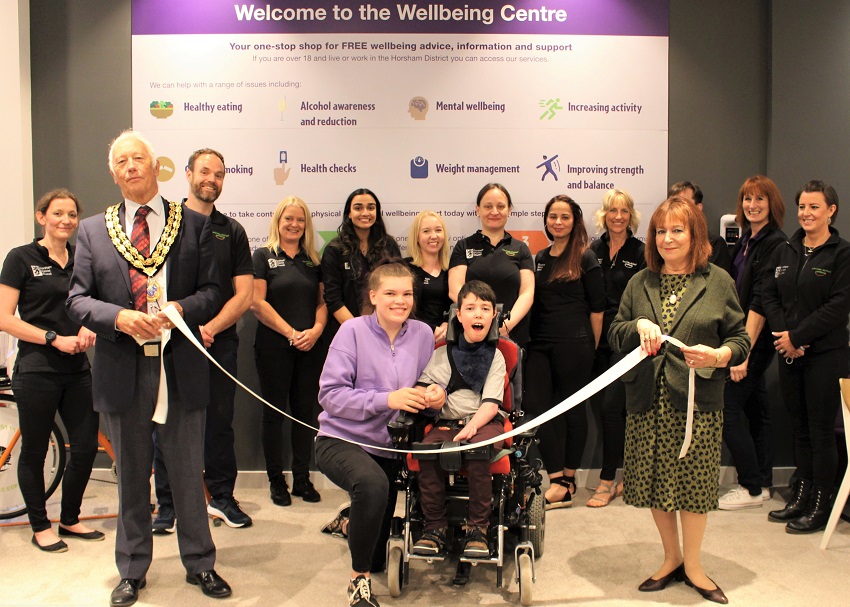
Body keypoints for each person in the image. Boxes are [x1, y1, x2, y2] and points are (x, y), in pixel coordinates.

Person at [67, 130, 231, 605]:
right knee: (132, 474)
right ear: (113, 172)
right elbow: (78, 300)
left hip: (179, 364)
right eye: (122, 161)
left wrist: (177, 308)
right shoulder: (95, 230)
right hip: (123, 364)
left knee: (185, 470)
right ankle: (132, 569)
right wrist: (119, 316)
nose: (131, 166)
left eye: (138, 157)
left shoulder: (193, 225)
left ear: (155, 164)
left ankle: (200, 563)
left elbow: (213, 292)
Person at [609, 196, 749, 605]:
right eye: (660, 231)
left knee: (693, 486)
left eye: (677, 230)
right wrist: (638, 325)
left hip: (697, 402)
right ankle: (671, 558)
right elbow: (616, 332)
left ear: (695, 235)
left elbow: (740, 340)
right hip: (646, 401)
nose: (667, 239)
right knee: (654, 485)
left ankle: (695, 566)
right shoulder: (640, 282)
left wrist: (719, 356)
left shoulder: (718, 280)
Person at [315, 261, 440, 607]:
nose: (400, 301)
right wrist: (388, 399)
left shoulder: (423, 334)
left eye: (406, 294)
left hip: (389, 447)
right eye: (390, 293)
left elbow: (427, 389)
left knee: (379, 556)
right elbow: (330, 396)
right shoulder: (351, 331)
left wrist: (433, 396)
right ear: (373, 296)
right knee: (372, 486)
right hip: (340, 439)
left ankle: (348, 522)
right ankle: (358, 582)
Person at [152, 148, 254, 532]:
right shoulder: (165, 223)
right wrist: (187, 328)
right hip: (173, 342)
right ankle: (168, 505)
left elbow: (243, 293)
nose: (211, 179)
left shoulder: (233, 230)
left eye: (220, 174)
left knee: (219, 423)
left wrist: (210, 328)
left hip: (219, 343)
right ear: (189, 174)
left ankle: (222, 499)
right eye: (205, 172)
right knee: (169, 422)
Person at [0, 189, 102, 553]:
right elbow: (3, 319)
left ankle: (70, 519)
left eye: (72, 214)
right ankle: (40, 525)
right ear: (41, 217)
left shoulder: (82, 259)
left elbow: (94, 305)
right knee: (35, 451)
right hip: (36, 369)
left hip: (77, 369)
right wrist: (52, 338)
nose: (66, 220)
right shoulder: (21, 259)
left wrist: (92, 326)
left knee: (87, 446)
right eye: (57, 213)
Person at [755, 180, 850, 533]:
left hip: (826, 355)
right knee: (800, 430)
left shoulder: (842, 253)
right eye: (802, 207)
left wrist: (799, 336)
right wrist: (784, 337)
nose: (806, 213)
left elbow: (838, 306)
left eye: (814, 207)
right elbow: (769, 295)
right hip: (790, 352)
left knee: (821, 431)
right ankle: (802, 494)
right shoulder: (786, 250)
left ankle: (822, 503)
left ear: (831, 210)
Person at [412, 280, 506, 558]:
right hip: (446, 422)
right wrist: (430, 395)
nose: (478, 314)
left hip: (484, 423)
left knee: (477, 452)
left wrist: (473, 427)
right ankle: (435, 528)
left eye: (485, 308)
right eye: (471, 308)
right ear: (459, 316)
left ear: (493, 316)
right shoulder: (442, 354)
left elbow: (490, 404)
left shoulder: (496, 357)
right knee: (428, 453)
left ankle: (478, 529)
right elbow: (426, 389)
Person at [523, 195, 605, 509]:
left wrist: (591, 346)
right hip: (541, 344)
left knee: (572, 410)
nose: (558, 222)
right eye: (553, 216)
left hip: (577, 344)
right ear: (545, 220)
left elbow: (597, 310)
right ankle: (557, 478)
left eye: (565, 217)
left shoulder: (586, 257)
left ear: (575, 221)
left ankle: (567, 481)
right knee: (540, 409)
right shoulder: (540, 256)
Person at [252, 196, 327, 506]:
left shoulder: (313, 261)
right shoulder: (263, 255)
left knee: (304, 414)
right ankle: (275, 480)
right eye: (289, 219)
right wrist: (291, 333)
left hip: (310, 346)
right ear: (278, 222)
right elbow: (257, 303)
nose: (294, 224)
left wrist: (316, 331)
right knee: (274, 415)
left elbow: (322, 304)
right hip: (274, 346)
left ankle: (301, 478)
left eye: (300, 219)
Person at [718, 176, 786, 510]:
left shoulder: (775, 243)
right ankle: (764, 482)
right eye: (747, 198)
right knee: (757, 411)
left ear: (772, 204)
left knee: (727, 408)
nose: (752, 205)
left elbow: (761, 300)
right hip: (743, 336)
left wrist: (742, 355)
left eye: (760, 199)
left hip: (754, 342)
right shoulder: (747, 239)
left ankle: (750, 486)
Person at [587, 188, 646, 507]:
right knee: (608, 412)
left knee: (613, 408)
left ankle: (607, 480)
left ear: (631, 215)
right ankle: (629, 474)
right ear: (604, 214)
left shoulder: (641, 251)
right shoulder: (593, 250)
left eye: (624, 211)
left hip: (627, 340)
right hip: (596, 338)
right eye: (613, 211)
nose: (619, 216)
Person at [448, 183, 534, 346]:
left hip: (512, 334)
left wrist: (505, 325)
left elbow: (527, 294)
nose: (494, 211)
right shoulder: (463, 246)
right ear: (478, 209)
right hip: (472, 334)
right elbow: (455, 290)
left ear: (509, 210)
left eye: (500, 206)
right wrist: (481, 321)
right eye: (488, 206)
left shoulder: (521, 249)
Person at [321, 188, 400, 341]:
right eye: (358, 208)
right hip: (347, 332)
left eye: (371, 207)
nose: (365, 213)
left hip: (385, 331)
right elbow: (333, 299)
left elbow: (397, 289)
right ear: (349, 214)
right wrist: (360, 331)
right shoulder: (334, 249)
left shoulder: (389, 246)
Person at [406, 210, 451, 342]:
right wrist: (430, 329)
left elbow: (457, 303)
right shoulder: (405, 268)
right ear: (417, 237)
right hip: (412, 339)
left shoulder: (452, 269)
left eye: (438, 230)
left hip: (445, 341)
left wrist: (448, 324)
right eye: (426, 231)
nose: (433, 236)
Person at [669, 180, 732, 272]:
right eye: (672, 203)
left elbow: (720, 282)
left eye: (682, 203)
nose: (676, 209)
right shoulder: (663, 242)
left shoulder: (715, 244)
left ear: (698, 208)